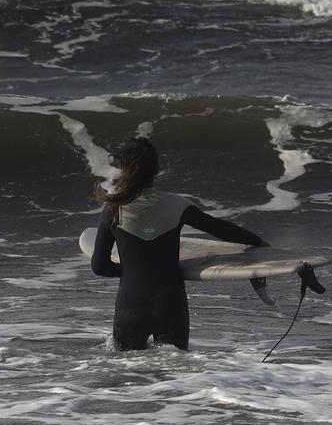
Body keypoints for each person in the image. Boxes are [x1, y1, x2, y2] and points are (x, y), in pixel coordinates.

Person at [89, 137, 265, 350]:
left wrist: (132, 271)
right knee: (174, 374)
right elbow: (220, 228)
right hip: (170, 304)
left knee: (129, 374)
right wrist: (257, 241)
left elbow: (100, 267)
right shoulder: (177, 205)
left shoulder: (113, 209)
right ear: (155, 170)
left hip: (131, 305)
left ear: (123, 169)